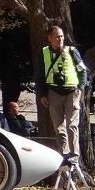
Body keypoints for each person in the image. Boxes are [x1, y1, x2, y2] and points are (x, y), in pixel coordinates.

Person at [35, 25, 88, 162]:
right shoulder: (44, 52)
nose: (60, 39)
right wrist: (42, 94)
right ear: (50, 38)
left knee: (72, 125)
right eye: (57, 36)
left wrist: (81, 88)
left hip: (72, 91)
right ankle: (64, 154)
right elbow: (40, 74)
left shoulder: (72, 51)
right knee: (58, 127)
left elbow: (83, 70)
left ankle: (74, 154)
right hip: (53, 92)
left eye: (62, 36)